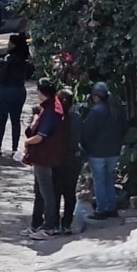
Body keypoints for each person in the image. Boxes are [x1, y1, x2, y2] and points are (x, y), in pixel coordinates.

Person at [23, 77, 68, 240]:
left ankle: (49, 226)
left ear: (42, 93)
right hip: (43, 156)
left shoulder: (51, 111)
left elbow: (40, 136)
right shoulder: (50, 107)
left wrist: (27, 142)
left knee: (46, 192)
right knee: (40, 191)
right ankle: (36, 224)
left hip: (44, 156)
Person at [80, 81, 127, 220]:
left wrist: (85, 148)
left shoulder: (95, 112)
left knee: (99, 181)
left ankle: (101, 210)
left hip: (97, 153)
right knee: (109, 180)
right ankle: (111, 208)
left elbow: (87, 132)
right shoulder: (117, 110)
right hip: (113, 152)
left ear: (96, 96)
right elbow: (123, 129)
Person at [54, 89, 85, 234]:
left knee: (55, 192)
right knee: (70, 192)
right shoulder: (77, 117)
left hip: (58, 158)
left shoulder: (55, 117)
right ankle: (66, 223)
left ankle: (54, 223)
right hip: (73, 159)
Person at [0, 34, 30, 155]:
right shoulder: (24, 58)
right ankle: (14, 148)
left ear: (14, 45)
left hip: (6, 91)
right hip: (19, 91)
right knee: (16, 120)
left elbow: (1, 76)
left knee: (2, 120)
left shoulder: (8, 58)